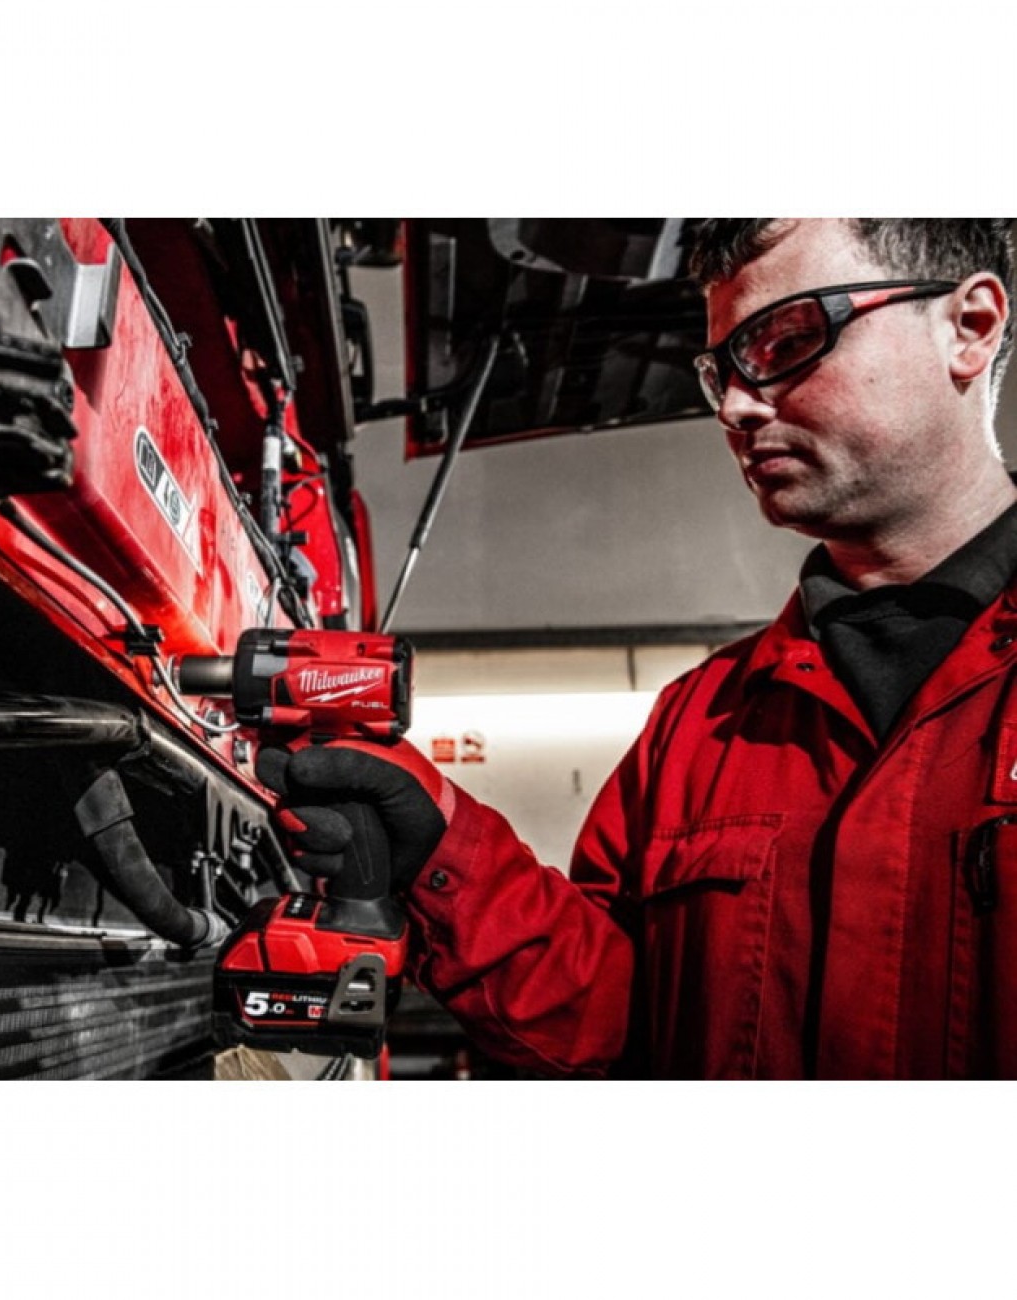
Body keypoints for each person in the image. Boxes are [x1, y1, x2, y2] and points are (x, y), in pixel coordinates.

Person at [259, 218, 1017, 1079]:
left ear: (970, 327)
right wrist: (439, 849)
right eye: (721, 371)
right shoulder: (700, 721)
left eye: (786, 341)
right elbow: (618, 1023)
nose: (735, 407)